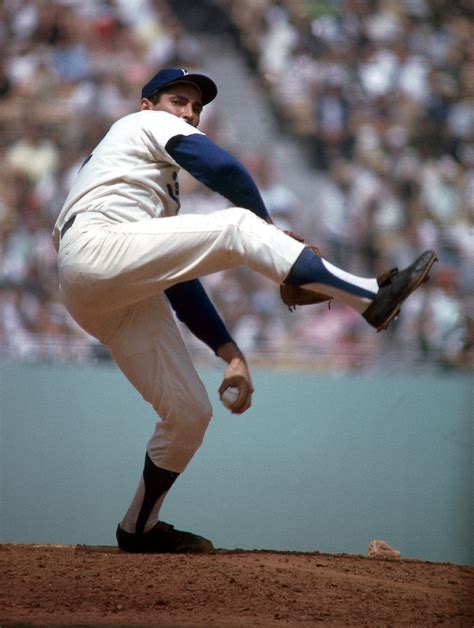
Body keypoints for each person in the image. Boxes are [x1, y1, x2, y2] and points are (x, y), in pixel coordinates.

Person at [53, 68, 436, 553]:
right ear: (148, 104)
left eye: (196, 106)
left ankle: (138, 528)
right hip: (95, 247)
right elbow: (225, 169)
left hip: (101, 289)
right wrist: (270, 231)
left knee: (189, 413)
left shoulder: (149, 183)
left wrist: (230, 353)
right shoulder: (140, 124)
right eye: (178, 100)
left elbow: (175, 278)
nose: (190, 112)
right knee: (236, 225)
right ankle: (368, 296)